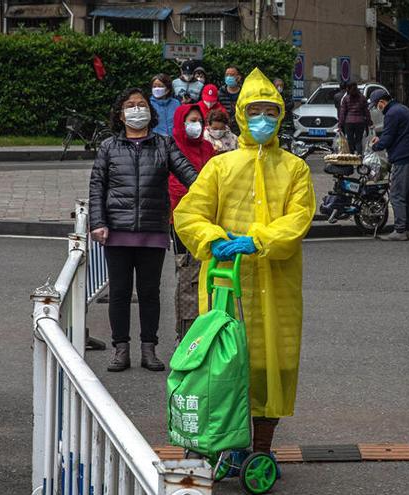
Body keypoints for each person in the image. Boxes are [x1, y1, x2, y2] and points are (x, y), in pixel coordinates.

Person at [174, 68, 316, 465]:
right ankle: (228, 447)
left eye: (271, 112)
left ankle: (261, 451)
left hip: (278, 285)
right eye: (255, 111)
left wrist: (257, 241)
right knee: (225, 369)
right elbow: (190, 213)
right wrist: (212, 239)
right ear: (240, 114)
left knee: (274, 367)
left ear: (281, 115)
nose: (263, 119)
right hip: (226, 285)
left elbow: (299, 218)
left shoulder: (295, 169)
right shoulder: (220, 167)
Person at [89, 87, 199, 373]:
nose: (136, 110)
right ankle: (120, 349)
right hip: (117, 231)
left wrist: (214, 188)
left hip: (153, 231)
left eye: (141, 104)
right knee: (120, 293)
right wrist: (98, 222)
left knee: (150, 293)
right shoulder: (109, 147)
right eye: (130, 105)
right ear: (120, 113)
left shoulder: (164, 145)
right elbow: (97, 186)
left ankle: (149, 348)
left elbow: (190, 175)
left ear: (150, 112)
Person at [169, 103, 215, 342]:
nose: (195, 125)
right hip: (181, 220)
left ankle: (205, 328)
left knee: (208, 274)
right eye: (190, 120)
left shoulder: (208, 147)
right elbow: (174, 186)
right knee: (187, 274)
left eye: (199, 120)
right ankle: (185, 330)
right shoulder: (172, 147)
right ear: (180, 122)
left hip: (208, 219)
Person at [368, 89, 409, 241]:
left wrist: (374, 147)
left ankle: (399, 230)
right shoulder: (401, 108)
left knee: (397, 195)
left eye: (376, 105)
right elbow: (394, 134)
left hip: (404, 159)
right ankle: (407, 229)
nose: (377, 109)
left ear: (382, 102)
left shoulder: (391, 113)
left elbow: (389, 138)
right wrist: (381, 139)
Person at [338, 82, 372, 155]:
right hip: (360, 122)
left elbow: (342, 113)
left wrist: (340, 124)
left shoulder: (345, 99)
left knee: (350, 141)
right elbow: (366, 111)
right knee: (358, 141)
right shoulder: (362, 98)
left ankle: (351, 157)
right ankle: (359, 158)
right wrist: (369, 122)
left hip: (349, 122)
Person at [218, 66, 243, 135]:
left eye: (232, 75)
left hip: (240, 130)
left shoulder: (243, 93)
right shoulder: (220, 93)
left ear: (238, 77)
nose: (229, 77)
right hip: (223, 130)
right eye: (227, 75)